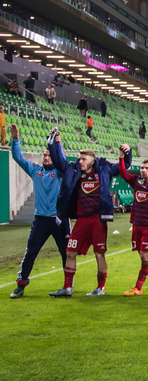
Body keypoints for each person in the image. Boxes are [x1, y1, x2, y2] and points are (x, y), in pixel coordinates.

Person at [47, 135, 131, 297]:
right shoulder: (74, 171)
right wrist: (54, 144)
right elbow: (59, 162)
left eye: (84, 159)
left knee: (99, 253)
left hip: (98, 219)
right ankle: (67, 287)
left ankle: (100, 288)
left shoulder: (104, 168)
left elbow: (124, 167)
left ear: (93, 160)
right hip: (81, 219)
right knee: (70, 252)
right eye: (79, 159)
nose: (80, 161)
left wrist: (127, 153)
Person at [8, 125, 68, 298]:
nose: (46, 157)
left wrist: (58, 144)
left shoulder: (60, 172)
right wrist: (15, 140)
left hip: (58, 219)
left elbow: (62, 161)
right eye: (44, 155)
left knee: (66, 253)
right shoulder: (36, 171)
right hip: (40, 220)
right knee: (31, 252)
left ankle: (67, 285)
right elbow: (18, 158)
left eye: (49, 155)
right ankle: (21, 284)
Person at [118, 153, 148, 295]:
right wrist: (121, 157)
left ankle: (138, 288)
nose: (143, 170)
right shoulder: (137, 181)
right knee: (142, 255)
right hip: (136, 223)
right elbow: (123, 174)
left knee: (145, 256)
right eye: (141, 168)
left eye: (146, 168)